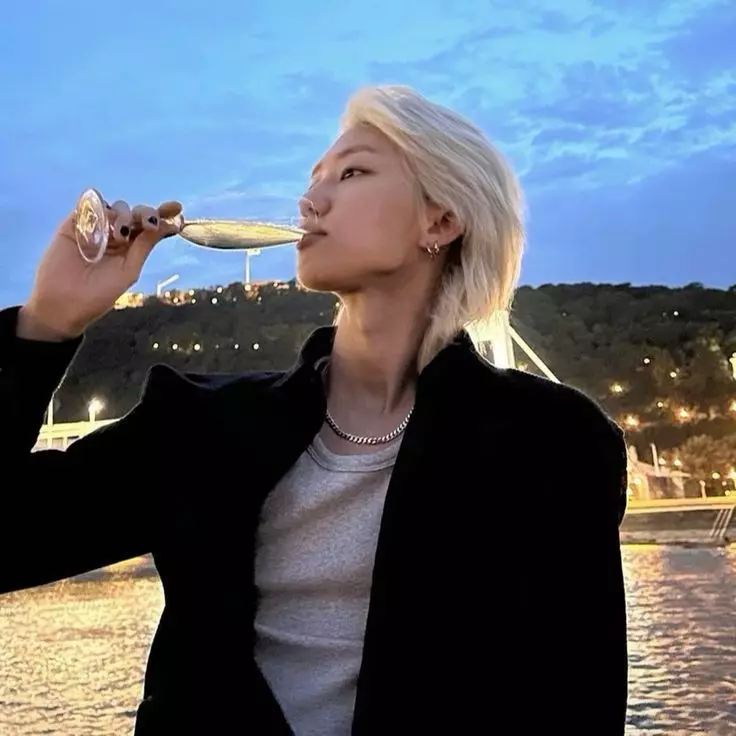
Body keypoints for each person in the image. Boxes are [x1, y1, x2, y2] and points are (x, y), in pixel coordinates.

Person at [0, 85, 629, 735]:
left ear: (439, 222)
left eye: (352, 173)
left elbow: (577, 703)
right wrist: (45, 325)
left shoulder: (552, 443)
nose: (311, 200)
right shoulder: (198, 427)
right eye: (314, 179)